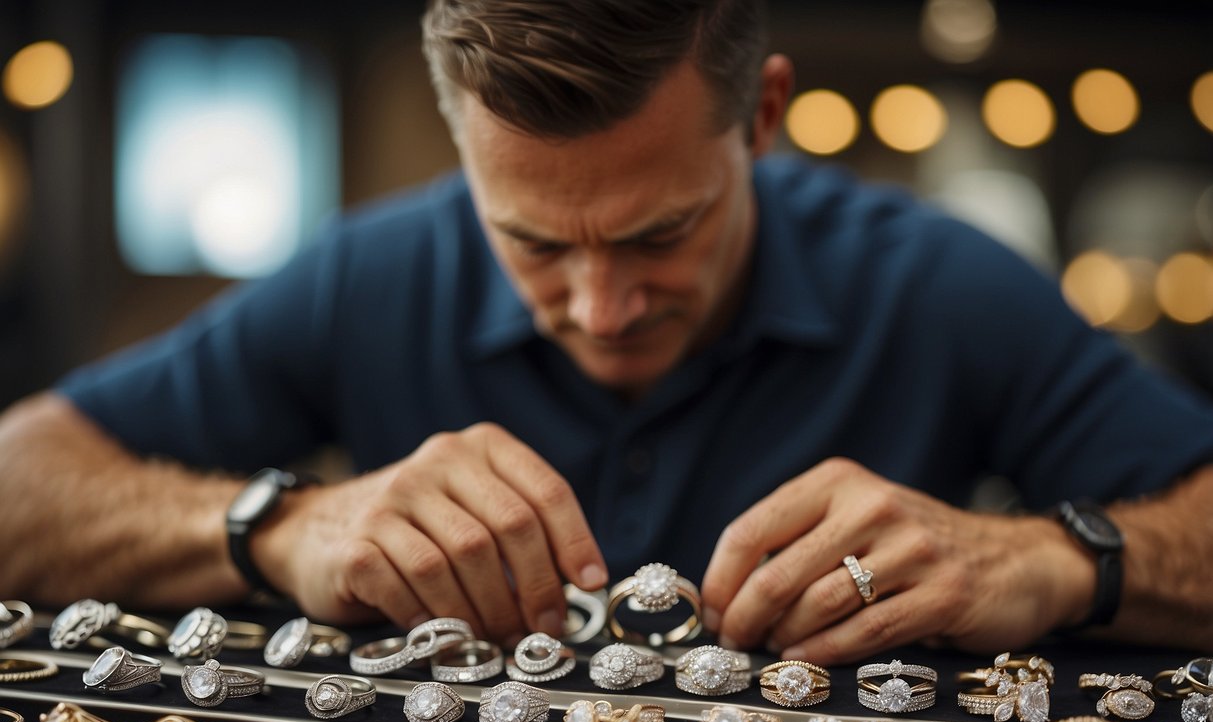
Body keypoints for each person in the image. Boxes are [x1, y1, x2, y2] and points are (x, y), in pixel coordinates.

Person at [1, 0, 1211, 665]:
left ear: (764, 117)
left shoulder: (938, 283)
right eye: (530, 239)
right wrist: (283, 524)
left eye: (659, 231)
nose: (598, 306)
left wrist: (1043, 560)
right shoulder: (366, 273)